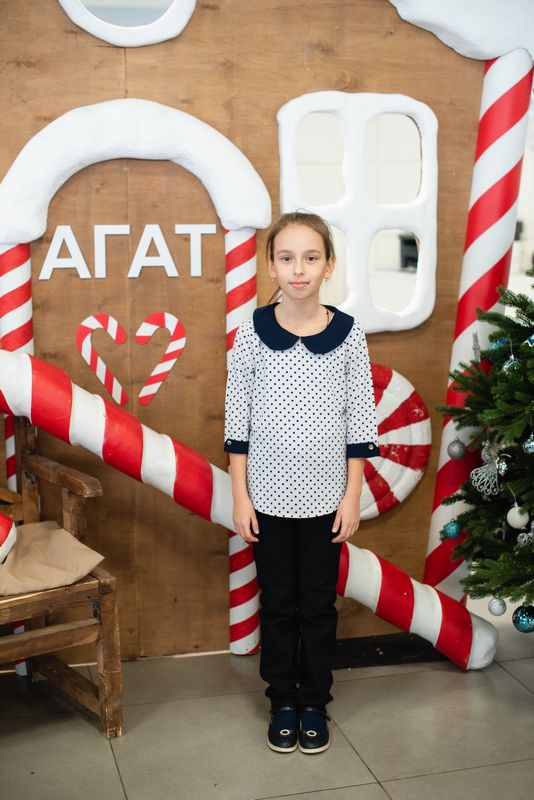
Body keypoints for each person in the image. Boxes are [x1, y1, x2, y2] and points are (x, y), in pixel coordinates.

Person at [223, 211, 381, 754]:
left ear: (328, 265)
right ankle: (282, 701)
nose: (298, 269)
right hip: (266, 501)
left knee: (317, 606)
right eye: (286, 258)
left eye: (310, 258)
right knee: (278, 605)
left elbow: (360, 422)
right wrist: (240, 497)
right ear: (271, 265)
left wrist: (352, 497)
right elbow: (237, 422)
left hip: (326, 503)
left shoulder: (349, 334)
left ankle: (314, 701)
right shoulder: (252, 332)